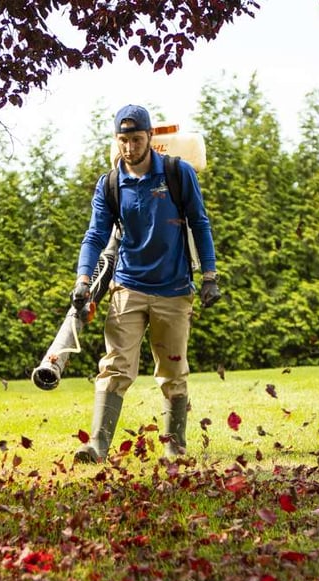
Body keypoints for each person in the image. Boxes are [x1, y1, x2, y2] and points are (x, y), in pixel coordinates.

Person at [71, 104, 220, 463]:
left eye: (136, 139)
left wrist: (210, 276)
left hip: (174, 288)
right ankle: (97, 446)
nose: (129, 147)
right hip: (128, 286)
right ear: (116, 140)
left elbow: (200, 224)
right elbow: (95, 235)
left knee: (172, 370)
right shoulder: (109, 184)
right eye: (123, 140)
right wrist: (83, 279)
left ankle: (174, 448)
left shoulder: (177, 173)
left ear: (151, 138)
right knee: (114, 366)